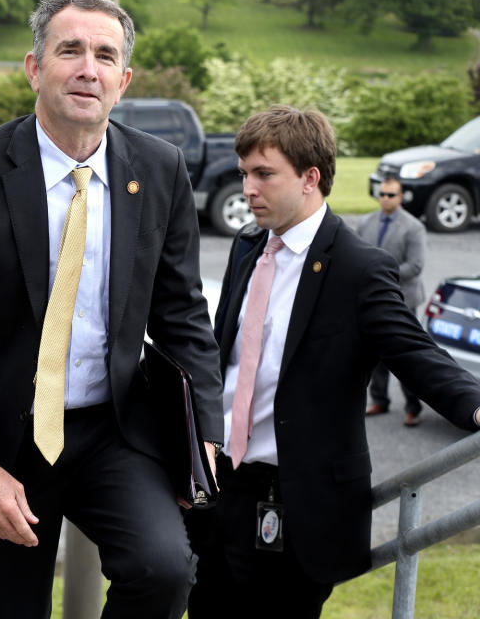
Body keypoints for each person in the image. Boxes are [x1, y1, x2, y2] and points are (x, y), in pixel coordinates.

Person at [0, 0, 223, 619]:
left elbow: (183, 314)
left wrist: (203, 432)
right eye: (69, 50)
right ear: (33, 66)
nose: (87, 69)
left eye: (105, 56)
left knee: (163, 573)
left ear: (123, 80)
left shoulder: (159, 170)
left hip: (112, 430)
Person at [187, 105, 480, 618]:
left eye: (263, 174)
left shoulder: (359, 269)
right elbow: (222, 352)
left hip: (296, 508)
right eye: (243, 174)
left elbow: (415, 352)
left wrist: (476, 407)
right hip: (221, 490)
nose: (247, 189)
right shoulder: (247, 246)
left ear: (310, 177)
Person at [356, 175, 428, 426]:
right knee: (374, 351)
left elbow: (415, 266)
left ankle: (413, 406)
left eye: (391, 195)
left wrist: (379, 276)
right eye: (382, 194)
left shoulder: (413, 227)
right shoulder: (365, 222)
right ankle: (379, 400)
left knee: (404, 354)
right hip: (372, 299)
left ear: (400, 196)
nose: (385, 199)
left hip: (402, 299)